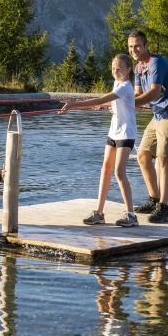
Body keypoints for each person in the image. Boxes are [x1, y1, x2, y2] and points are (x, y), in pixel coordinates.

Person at [59, 53, 139, 227]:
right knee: (105, 170)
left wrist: (74, 104)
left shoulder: (125, 86)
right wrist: (102, 105)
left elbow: (104, 98)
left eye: (119, 69)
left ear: (128, 70)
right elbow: (109, 101)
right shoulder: (117, 83)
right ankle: (99, 213)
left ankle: (131, 215)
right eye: (113, 68)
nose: (115, 71)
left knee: (119, 172)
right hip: (113, 132)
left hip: (126, 133)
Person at [128, 30, 168, 223]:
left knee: (163, 160)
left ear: (146, 46)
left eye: (137, 46)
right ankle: (154, 200)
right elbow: (138, 95)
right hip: (158, 115)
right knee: (143, 155)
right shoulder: (138, 68)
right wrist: (117, 103)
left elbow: (153, 93)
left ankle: (164, 208)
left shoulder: (157, 63)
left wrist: (128, 103)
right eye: (130, 47)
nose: (134, 50)